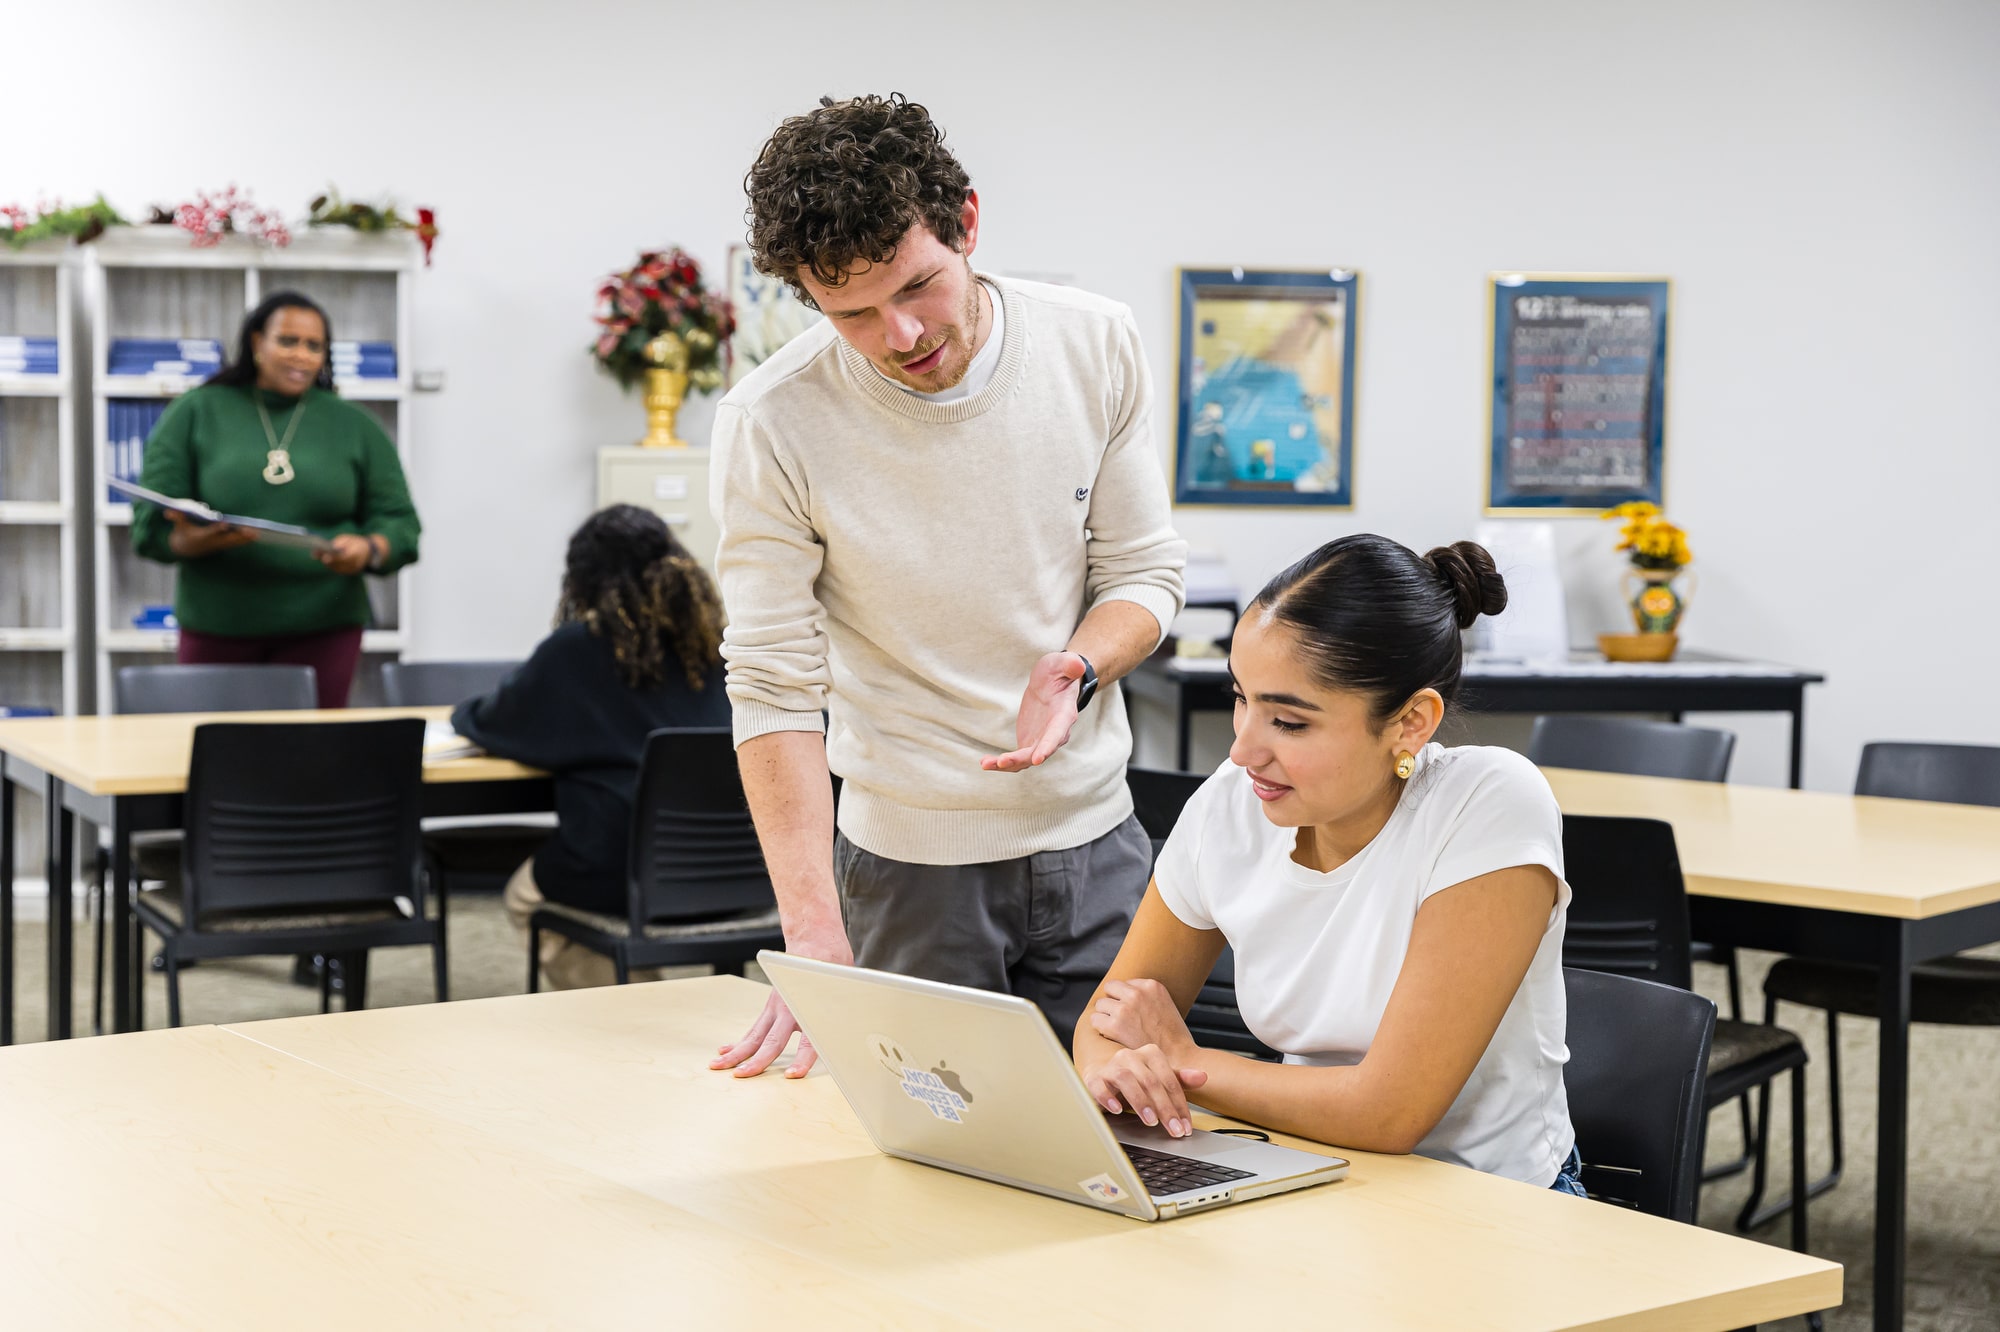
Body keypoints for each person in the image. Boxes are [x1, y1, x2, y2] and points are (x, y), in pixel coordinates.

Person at [709, 94, 1187, 1079]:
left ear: (966, 223)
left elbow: (1142, 573)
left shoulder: (1092, 343)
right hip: (905, 869)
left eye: (918, 286)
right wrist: (811, 934)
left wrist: (1079, 665)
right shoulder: (773, 421)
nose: (898, 334)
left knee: (1134, 1141)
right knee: (938, 1163)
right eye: (851, 314)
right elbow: (770, 684)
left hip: (1097, 840)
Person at [1071, 535, 1584, 1194]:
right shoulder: (1228, 808)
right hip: (1311, 1169)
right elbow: (1108, 1020)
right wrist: (1113, 1067)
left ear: (1410, 723)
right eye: (1241, 698)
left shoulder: (1489, 801)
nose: (1242, 750)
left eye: (1287, 721)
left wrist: (1182, 1062)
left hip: (1491, 1202)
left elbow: (1389, 1113)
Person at [452, 505, 731, 990]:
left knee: (525, 896)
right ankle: (649, 997)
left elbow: (496, 722)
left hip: (615, 872)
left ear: (583, 580)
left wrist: (462, 714)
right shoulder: (716, 649)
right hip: (736, 873)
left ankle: (637, 1009)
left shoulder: (578, 650)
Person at [132, 291, 419, 709]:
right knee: (216, 757)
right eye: (288, 341)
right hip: (218, 627)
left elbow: (401, 524)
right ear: (255, 344)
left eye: (314, 346)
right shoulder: (196, 411)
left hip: (326, 628)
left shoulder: (355, 424)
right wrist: (188, 541)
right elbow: (149, 524)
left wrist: (370, 549)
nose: (301, 356)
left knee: (310, 760)